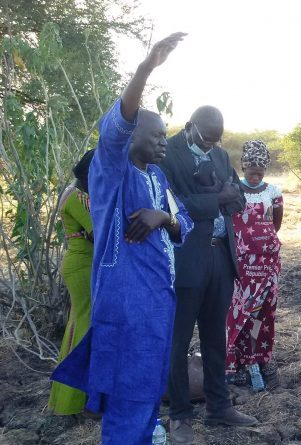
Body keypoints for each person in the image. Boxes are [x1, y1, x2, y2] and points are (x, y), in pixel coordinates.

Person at [51, 33, 194, 443]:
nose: (164, 140)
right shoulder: (112, 171)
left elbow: (184, 222)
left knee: (149, 385)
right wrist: (146, 68)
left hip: (158, 300)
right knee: (129, 390)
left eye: (166, 134)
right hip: (128, 302)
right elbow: (116, 126)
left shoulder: (157, 176)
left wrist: (162, 217)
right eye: (157, 134)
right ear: (131, 137)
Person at [159, 91, 255, 441]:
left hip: (221, 257)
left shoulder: (219, 154)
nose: (211, 145)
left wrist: (225, 197)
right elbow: (173, 206)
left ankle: (219, 407)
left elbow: (238, 199)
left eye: (217, 139)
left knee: (216, 337)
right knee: (179, 340)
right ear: (190, 126)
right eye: (206, 138)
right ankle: (180, 415)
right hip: (186, 258)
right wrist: (218, 198)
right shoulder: (166, 153)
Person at [225, 140, 282, 389]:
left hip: (268, 264)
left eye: (260, 173)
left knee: (263, 312)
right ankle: (236, 362)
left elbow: (275, 224)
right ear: (243, 167)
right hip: (241, 265)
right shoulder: (233, 190)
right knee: (239, 312)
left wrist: (262, 244)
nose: (256, 177)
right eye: (251, 172)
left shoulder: (273, 192)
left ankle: (259, 357)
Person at [49, 149, 96, 416]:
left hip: (83, 264)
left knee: (80, 325)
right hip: (83, 265)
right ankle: (74, 401)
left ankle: (71, 400)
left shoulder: (73, 192)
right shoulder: (78, 198)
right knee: (83, 328)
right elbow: (99, 231)